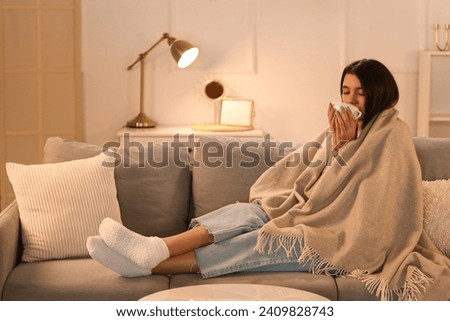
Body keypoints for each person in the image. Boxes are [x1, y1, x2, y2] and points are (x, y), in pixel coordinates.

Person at [87, 59, 450, 300]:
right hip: (312, 216)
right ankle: (157, 247)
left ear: (379, 93)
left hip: (346, 238)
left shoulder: (393, 134)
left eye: (360, 92)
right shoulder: (339, 131)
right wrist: (336, 145)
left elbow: (374, 205)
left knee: (266, 240)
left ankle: (146, 263)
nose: (351, 99)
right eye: (345, 91)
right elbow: (307, 189)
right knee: (248, 213)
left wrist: (344, 149)